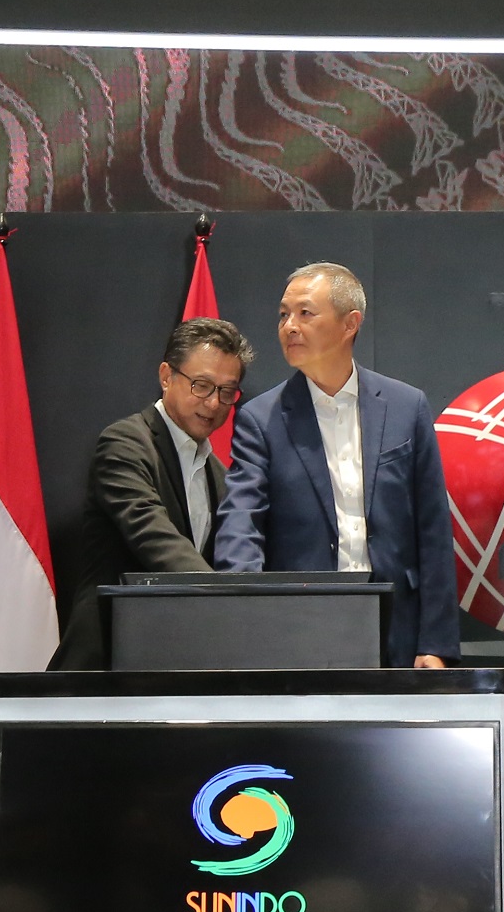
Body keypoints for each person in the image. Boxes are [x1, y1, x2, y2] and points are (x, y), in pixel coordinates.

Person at [212, 262, 460, 668]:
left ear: (350, 324)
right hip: (299, 629)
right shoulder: (260, 418)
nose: (290, 326)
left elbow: (433, 530)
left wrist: (436, 643)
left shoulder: (406, 406)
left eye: (305, 313)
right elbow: (241, 521)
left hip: (397, 625)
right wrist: (248, 611)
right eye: (283, 315)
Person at [47, 317, 252, 670]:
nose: (214, 403)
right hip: (107, 661)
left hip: (178, 662)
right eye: (202, 385)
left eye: (226, 392)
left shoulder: (220, 474)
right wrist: (225, 600)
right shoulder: (125, 443)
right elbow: (152, 535)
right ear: (166, 376)